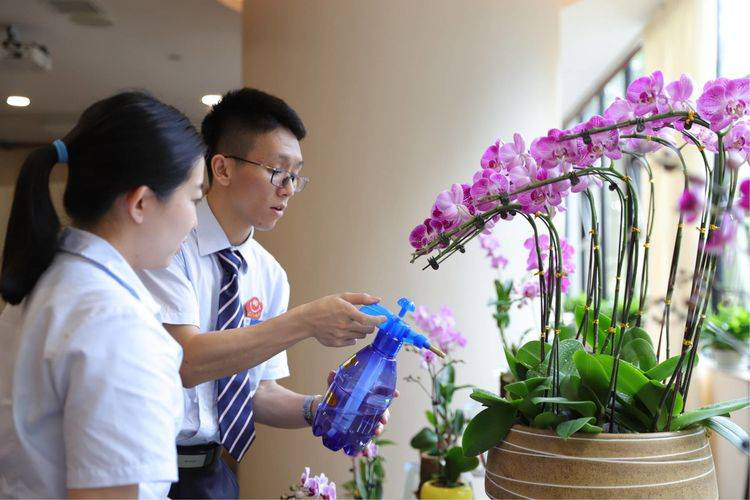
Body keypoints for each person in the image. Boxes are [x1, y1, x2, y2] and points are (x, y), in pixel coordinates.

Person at [137, 88, 390, 498]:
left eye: (295, 175)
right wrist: (305, 321)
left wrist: (321, 408)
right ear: (222, 168)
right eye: (277, 171)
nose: (288, 188)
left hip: (213, 474)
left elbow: (257, 392)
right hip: (146, 468)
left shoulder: (269, 274)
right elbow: (186, 361)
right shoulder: (169, 245)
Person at [0, 91, 205, 499]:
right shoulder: (118, 325)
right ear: (141, 202)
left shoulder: (44, 284)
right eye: (194, 197)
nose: (195, 221)